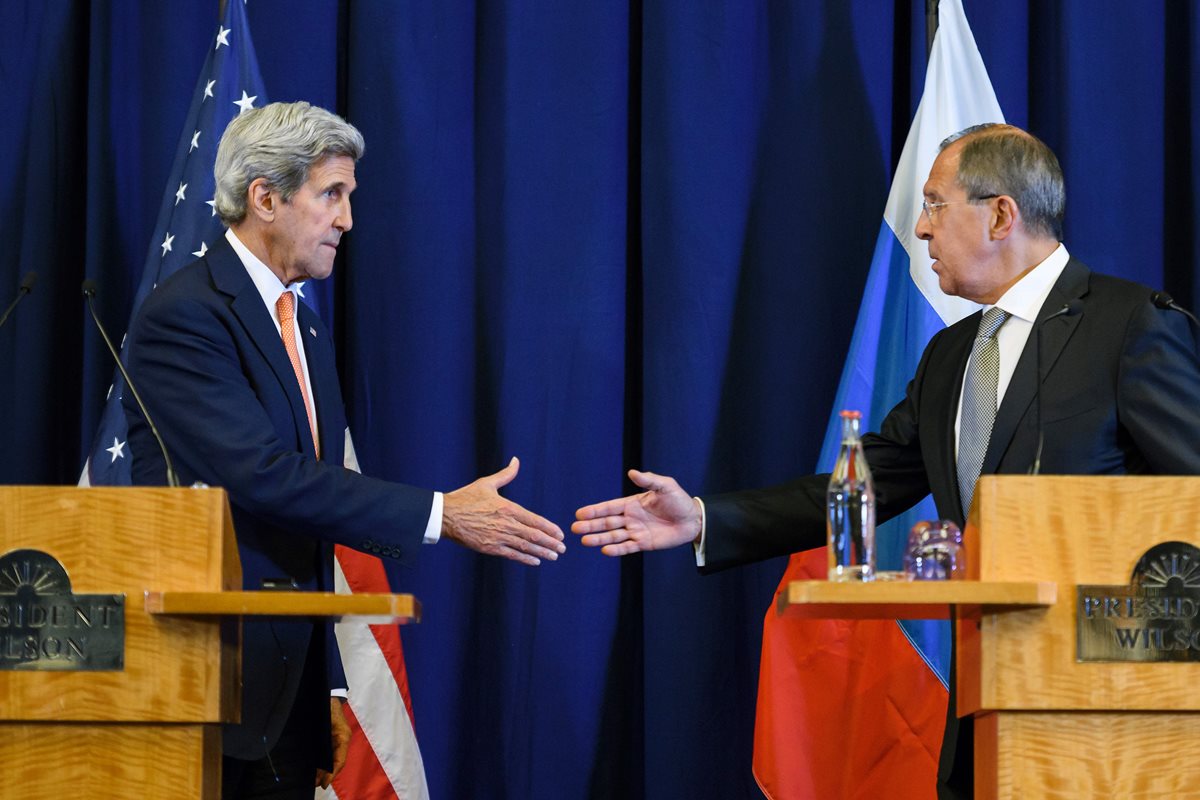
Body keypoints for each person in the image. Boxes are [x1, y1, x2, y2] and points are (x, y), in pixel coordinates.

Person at [573, 123, 1200, 798]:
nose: (922, 229)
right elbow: (864, 484)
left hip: (1115, 718)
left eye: (934, 203)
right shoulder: (951, 356)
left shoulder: (1132, 326)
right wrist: (701, 519)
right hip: (988, 712)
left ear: (1000, 214)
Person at [123, 101, 566, 799]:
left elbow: (310, 522)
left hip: (290, 691)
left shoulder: (305, 326)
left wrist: (328, 679)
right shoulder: (186, 317)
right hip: (208, 691)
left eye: (349, 197)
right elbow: (264, 477)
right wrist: (440, 514)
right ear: (265, 197)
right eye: (332, 195)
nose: (347, 221)